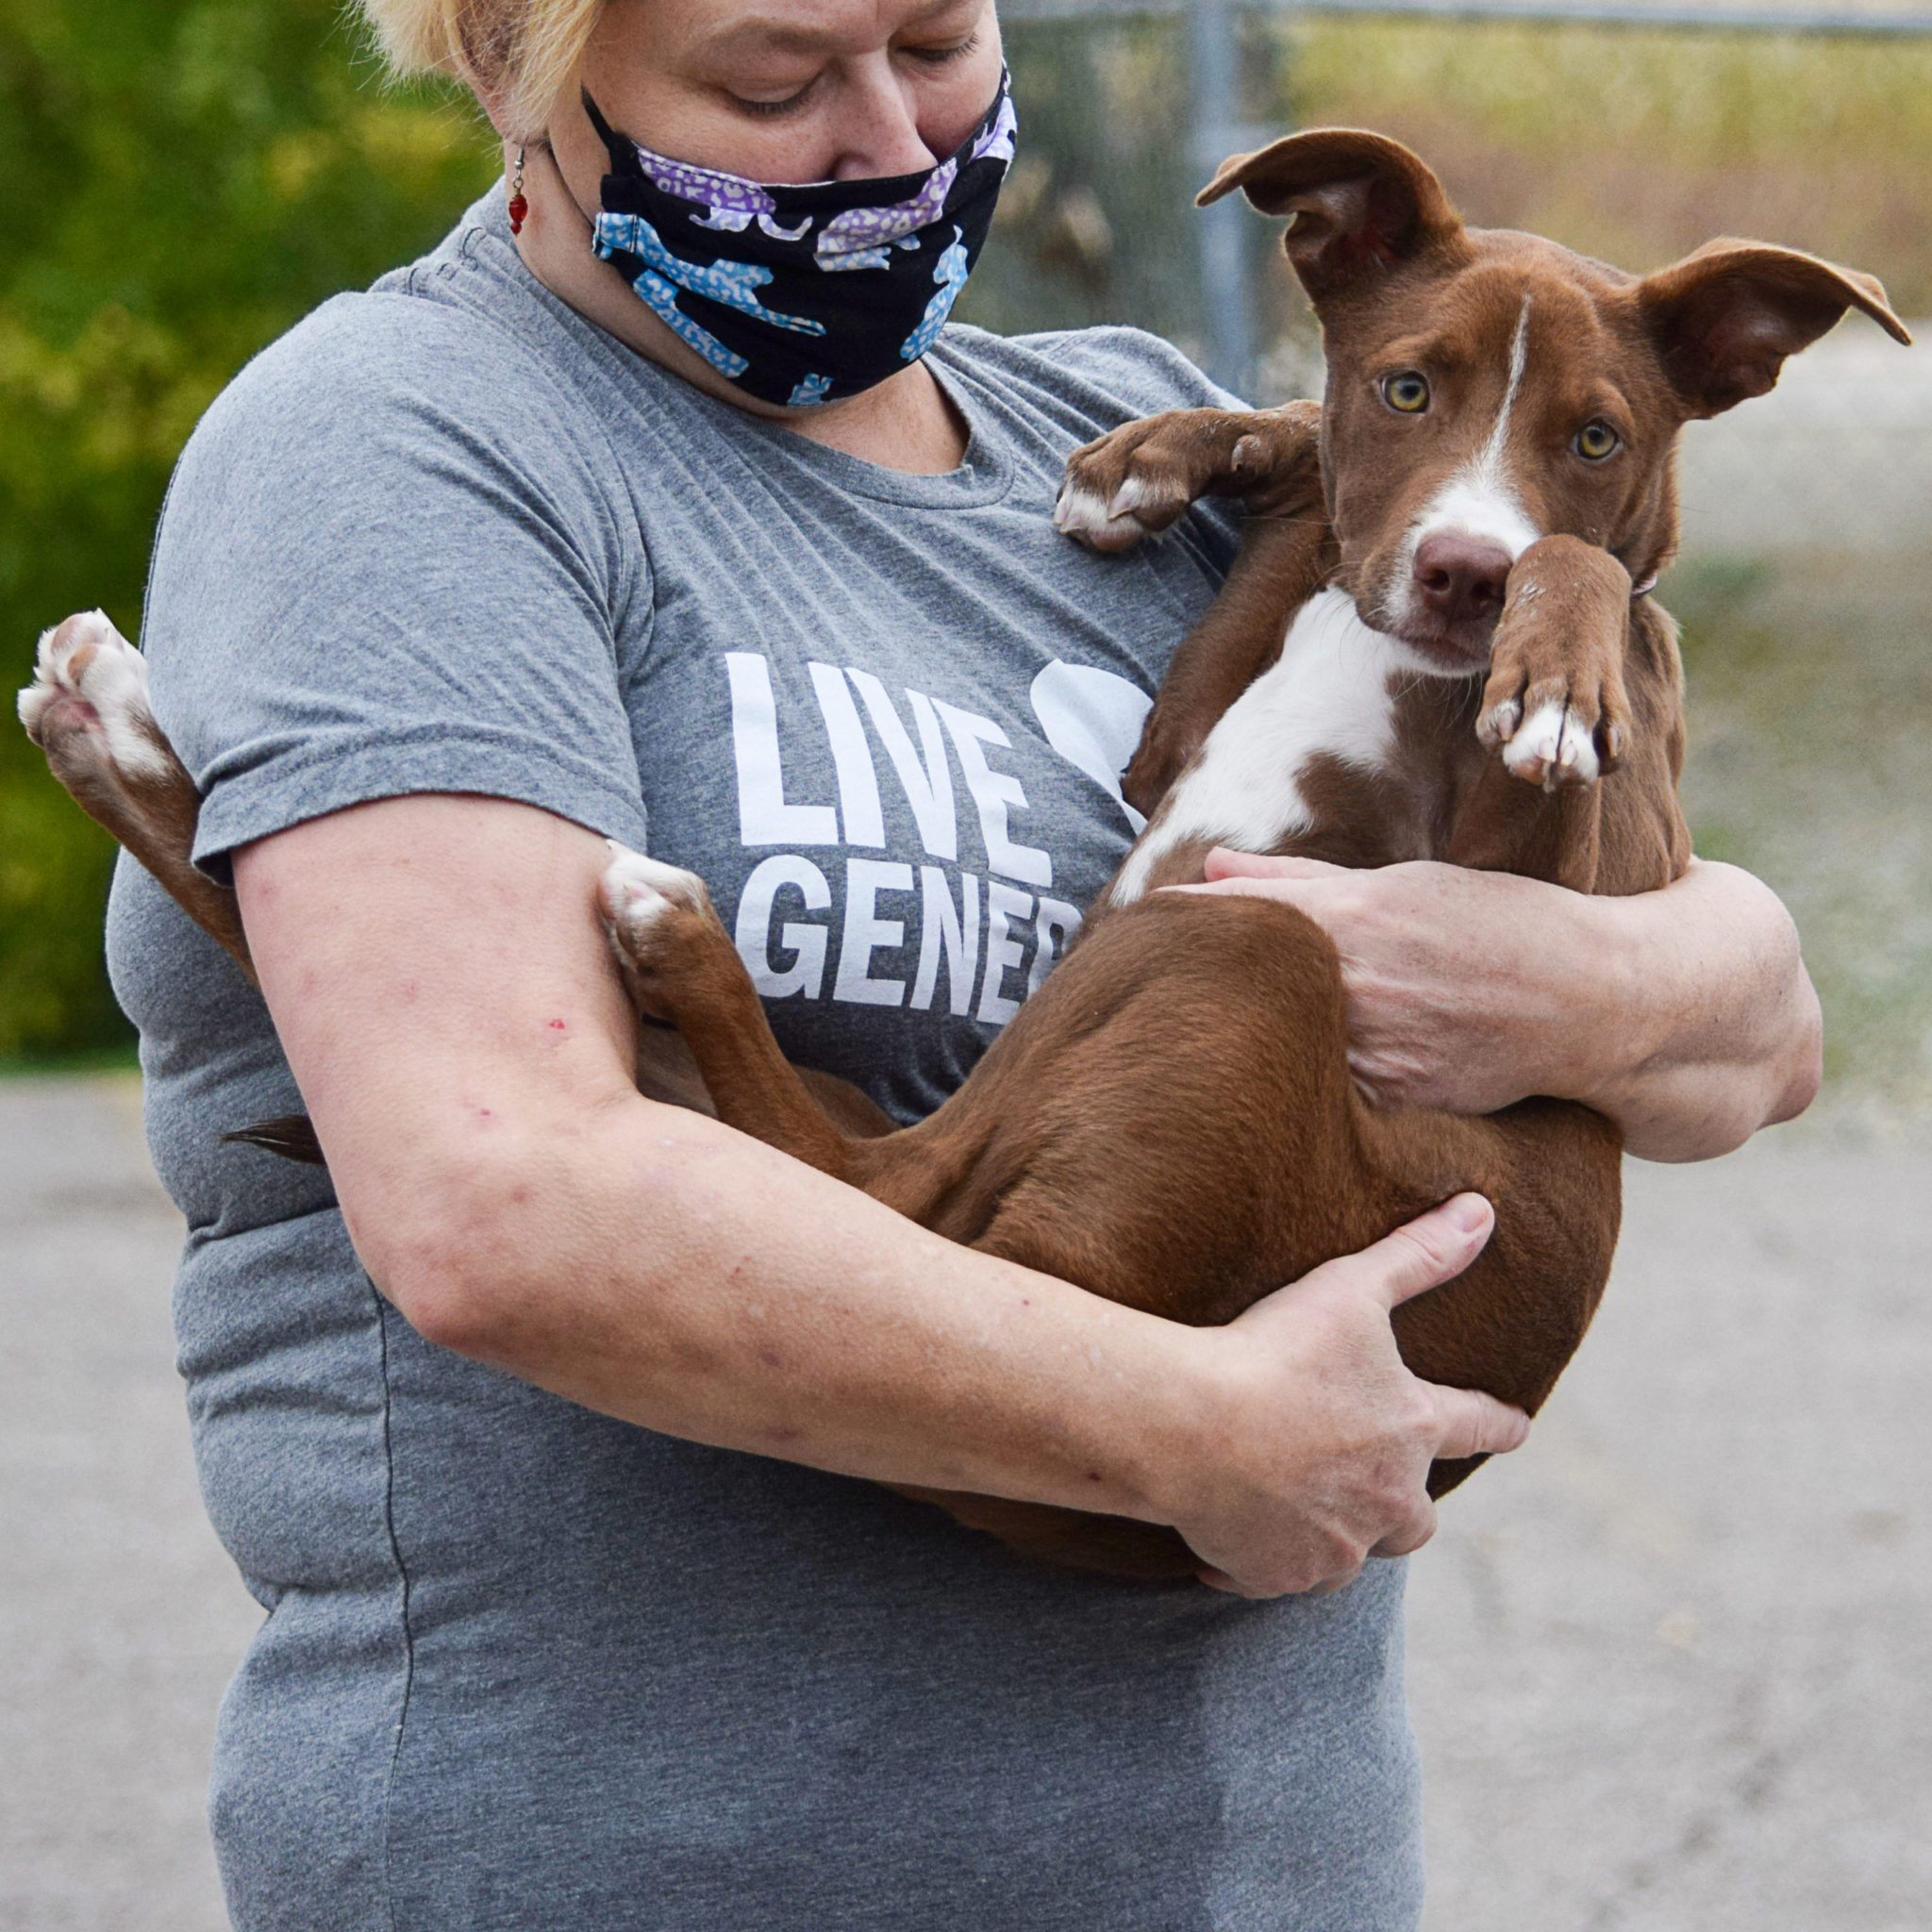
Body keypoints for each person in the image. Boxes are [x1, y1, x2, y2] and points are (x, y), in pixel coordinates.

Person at [110, 0, 1821, 1925]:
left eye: (936, 42)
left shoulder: (1130, 449)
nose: (888, 140)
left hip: (1239, 1870)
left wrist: (1575, 981)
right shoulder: (403, 454)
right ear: (515, 52)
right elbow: (508, 1200)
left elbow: (1757, 1039)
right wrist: (1200, 1435)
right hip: (644, 1864)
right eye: (776, 80)